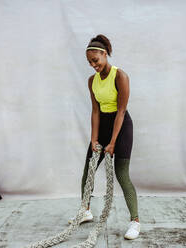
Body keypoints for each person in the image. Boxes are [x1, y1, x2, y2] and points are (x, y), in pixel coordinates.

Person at [69, 34, 140, 240]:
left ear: (105, 54)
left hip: (122, 127)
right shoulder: (92, 80)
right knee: (87, 172)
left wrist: (112, 143)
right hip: (102, 128)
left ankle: (135, 222)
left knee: (122, 174)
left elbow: (121, 111)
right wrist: (94, 139)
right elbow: (95, 111)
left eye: (96, 61)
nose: (93, 65)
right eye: (90, 62)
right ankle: (86, 211)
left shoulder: (120, 77)